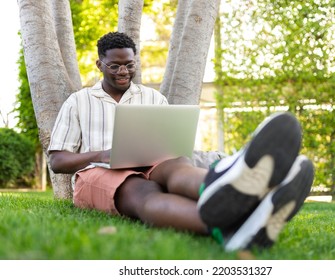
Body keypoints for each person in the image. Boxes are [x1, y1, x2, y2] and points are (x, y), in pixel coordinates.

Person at [48, 31, 314, 252]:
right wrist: (103, 154)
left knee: (178, 165)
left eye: (129, 64)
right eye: (114, 65)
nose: (123, 72)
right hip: (99, 173)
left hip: (151, 162)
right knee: (143, 193)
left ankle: (231, 185)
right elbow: (57, 161)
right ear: (99, 65)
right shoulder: (78, 101)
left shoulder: (153, 99)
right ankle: (231, 224)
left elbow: (172, 145)